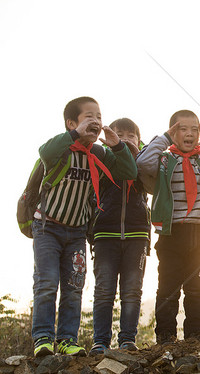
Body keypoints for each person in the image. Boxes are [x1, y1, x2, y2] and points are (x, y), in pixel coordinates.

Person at [31, 97, 137, 357]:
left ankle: (67, 339)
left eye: (99, 117)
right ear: (72, 123)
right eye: (89, 116)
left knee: (74, 285)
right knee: (47, 283)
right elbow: (44, 151)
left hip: (77, 232)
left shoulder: (99, 154)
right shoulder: (61, 149)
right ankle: (43, 338)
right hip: (48, 227)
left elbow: (128, 172)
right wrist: (73, 135)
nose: (96, 121)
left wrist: (118, 146)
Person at [136, 110, 200, 344]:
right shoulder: (164, 160)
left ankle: (194, 334)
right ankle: (165, 335)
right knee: (168, 287)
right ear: (173, 132)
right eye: (183, 129)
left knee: (196, 286)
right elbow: (142, 163)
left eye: (195, 129)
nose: (190, 133)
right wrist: (163, 139)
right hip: (171, 232)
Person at [89, 118, 151, 355]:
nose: (125, 138)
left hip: (137, 234)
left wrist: (135, 154)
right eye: (119, 134)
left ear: (139, 139)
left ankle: (127, 339)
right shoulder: (102, 160)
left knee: (132, 289)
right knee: (104, 289)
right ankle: (100, 341)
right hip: (105, 233)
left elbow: (150, 182)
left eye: (131, 135)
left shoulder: (146, 162)